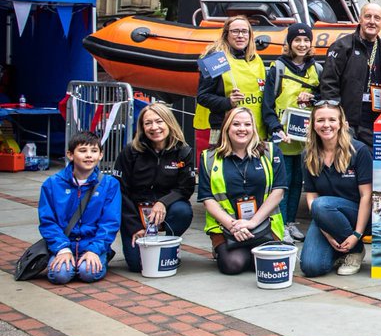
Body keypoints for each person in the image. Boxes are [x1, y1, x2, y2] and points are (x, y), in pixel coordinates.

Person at [198, 107, 286, 276]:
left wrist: (252, 223)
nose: (242, 129)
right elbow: (207, 199)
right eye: (236, 124)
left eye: (247, 124)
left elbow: (278, 191)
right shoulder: (208, 158)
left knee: (268, 262)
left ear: (254, 128)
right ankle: (230, 250)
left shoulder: (271, 151)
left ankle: (253, 250)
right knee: (232, 265)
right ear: (226, 128)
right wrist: (234, 226)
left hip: (264, 224)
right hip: (227, 227)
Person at [112, 103, 195, 272]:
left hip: (167, 209)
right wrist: (134, 226)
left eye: (159, 121)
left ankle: (170, 245)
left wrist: (163, 202)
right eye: (148, 123)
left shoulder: (183, 151)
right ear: (142, 127)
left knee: (182, 211)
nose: (154, 127)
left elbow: (185, 187)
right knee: (138, 266)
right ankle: (141, 236)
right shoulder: (130, 152)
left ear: (169, 123)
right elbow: (119, 191)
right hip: (135, 212)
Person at [299, 103, 373, 277]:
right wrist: (326, 231)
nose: (326, 125)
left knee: (322, 204)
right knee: (311, 267)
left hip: (358, 215)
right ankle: (341, 250)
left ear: (341, 123)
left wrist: (356, 235)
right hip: (324, 214)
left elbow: (367, 196)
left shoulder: (359, 151)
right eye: (320, 120)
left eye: (332, 119)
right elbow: (311, 197)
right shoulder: (308, 154)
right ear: (313, 124)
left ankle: (355, 250)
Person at [263, 23, 321, 242]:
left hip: (304, 138)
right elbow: (267, 105)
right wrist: (275, 129)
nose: (302, 44)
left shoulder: (316, 69)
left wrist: (313, 98)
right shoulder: (278, 68)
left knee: (298, 181)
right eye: (297, 40)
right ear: (288, 43)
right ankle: (281, 224)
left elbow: (323, 95)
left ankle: (291, 222)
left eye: (306, 40)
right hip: (283, 135)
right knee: (283, 181)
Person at [38, 132, 120, 285]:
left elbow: (110, 222)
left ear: (101, 155)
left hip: (92, 243)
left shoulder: (109, 184)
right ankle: (66, 256)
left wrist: (95, 249)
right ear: (70, 154)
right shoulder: (52, 184)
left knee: (88, 273)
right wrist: (62, 248)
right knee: (59, 276)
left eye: (94, 151)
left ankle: (101, 256)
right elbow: (47, 221)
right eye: (83, 151)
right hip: (64, 242)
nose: (89, 156)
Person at [195, 15, 277, 160]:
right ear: (226, 34)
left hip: (254, 131)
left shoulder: (255, 58)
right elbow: (203, 96)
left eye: (244, 32)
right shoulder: (214, 58)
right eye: (235, 31)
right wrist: (228, 102)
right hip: (224, 131)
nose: (240, 36)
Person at [318, 2, 381, 146]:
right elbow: (329, 84)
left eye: (377, 18)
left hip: (374, 123)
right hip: (347, 122)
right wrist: (336, 118)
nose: (372, 21)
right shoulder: (343, 46)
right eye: (368, 16)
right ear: (360, 18)